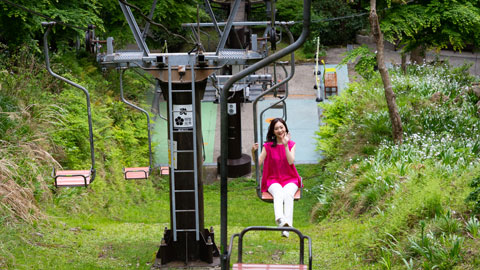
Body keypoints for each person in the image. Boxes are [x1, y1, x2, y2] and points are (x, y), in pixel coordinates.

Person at [252, 118, 302, 238]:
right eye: (276, 128)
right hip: (273, 179)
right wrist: (253, 152)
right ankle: (280, 219)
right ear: (273, 132)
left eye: (281, 127)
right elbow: (258, 163)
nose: (279, 130)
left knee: (288, 195)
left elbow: (291, 161)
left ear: (285, 128)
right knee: (278, 193)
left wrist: (285, 146)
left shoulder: (291, 144)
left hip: (290, 178)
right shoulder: (268, 146)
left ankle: (286, 229)